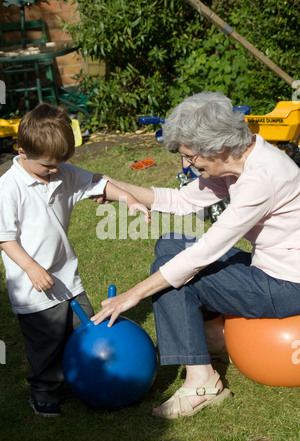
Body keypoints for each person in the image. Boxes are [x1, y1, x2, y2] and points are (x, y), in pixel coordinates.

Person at [91, 91, 300, 419]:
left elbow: (203, 254)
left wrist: (131, 296)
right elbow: (180, 201)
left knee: (174, 272)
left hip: (288, 286)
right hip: (270, 268)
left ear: (218, 147)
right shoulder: (237, 162)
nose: (186, 164)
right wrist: (112, 187)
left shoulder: (261, 178)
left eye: (190, 155)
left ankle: (203, 383)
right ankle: (214, 339)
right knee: (171, 243)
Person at [0, 103, 150, 417]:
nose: (55, 172)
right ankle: (44, 394)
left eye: (60, 164)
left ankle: (86, 378)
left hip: (67, 278)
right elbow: (5, 238)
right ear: (22, 150)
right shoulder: (8, 188)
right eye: (47, 166)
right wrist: (31, 267)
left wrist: (130, 198)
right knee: (47, 344)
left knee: (86, 332)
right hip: (34, 287)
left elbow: (98, 182)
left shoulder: (62, 173)